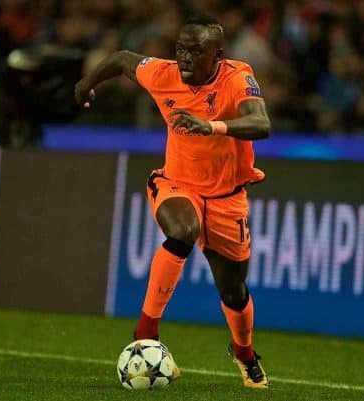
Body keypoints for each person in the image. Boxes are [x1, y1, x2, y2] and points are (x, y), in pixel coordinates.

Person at [75, 15, 271, 389]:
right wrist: (85, 85)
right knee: (182, 229)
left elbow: (261, 123)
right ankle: (145, 331)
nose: (184, 57)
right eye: (180, 49)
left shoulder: (235, 77)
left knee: (233, 289)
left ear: (218, 55)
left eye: (195, 51)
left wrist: (211, 125)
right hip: (177, 184)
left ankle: (244, 352)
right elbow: (119, 59)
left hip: (228, 197)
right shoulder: (162, 74)